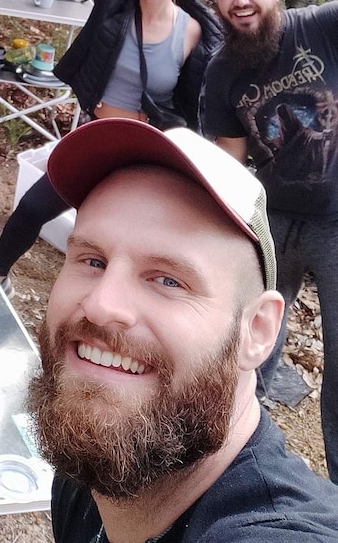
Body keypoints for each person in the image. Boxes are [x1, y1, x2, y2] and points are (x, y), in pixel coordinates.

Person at [28, 117, 338, 541]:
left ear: (259, 330)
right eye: (93, 260)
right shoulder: (94, 454)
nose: (101, 305)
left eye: (169, 280)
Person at [0, 0, 222, 293]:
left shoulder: (196, 33)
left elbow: (196, 106)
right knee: (35, 207)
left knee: (128, 240)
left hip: (149, 150)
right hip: (97, 133)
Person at [200, 0, 338, 484]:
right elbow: (231, 164)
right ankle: (239, 457)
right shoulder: (223, 71)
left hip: (335, 221)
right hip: (272, 217)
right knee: (250, 341)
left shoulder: (321, 26)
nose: (240, 2)